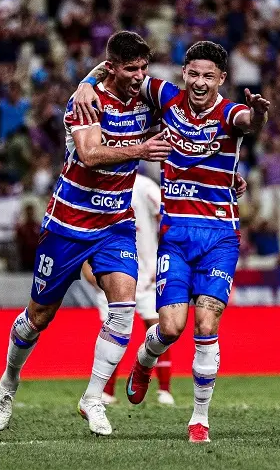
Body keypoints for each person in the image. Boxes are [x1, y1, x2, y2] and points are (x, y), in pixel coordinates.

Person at [72, 40, 270, 443]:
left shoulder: (230, 113)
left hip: (219, 236)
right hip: (176, 235)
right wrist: (84, 85)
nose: (200, 82)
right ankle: (145, 361)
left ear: (222, 79)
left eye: (209, 76)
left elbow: (249, 121)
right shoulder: (165, 96)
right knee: (171, 327)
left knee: (206, 323)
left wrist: (260, 115)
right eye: (193, 73)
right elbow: (115, 70)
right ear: (184, 73)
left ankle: (199, 419)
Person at [0, 31, 173, 436]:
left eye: (143, 68)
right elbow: (89, 155)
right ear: (112, 68)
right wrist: (139, 149)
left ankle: (92, 398)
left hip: (115, 225)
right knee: (38, 317)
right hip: (68, 225)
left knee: (123, 306)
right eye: (131, 68)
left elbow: (193, 115)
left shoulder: (146, 98)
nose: (139, 76)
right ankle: (9, 382)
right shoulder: (86, 101)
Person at [83, 172, 248, 406]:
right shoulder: (98, 186)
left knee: (163, 327)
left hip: (148, 271)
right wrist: (89, 268)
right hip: (112, 271)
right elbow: (87, 231)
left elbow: (167, 211)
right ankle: (105, 392)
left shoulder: (143, 186)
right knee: (115, 328)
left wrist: (165, 256)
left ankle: (163, 388)